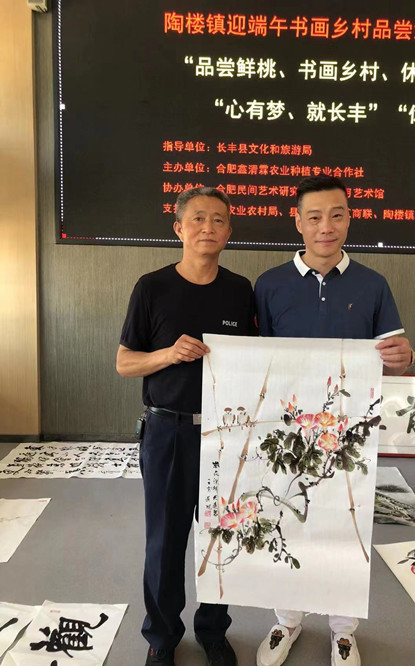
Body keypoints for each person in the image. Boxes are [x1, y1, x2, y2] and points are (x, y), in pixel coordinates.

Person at [254, 175, 415, 666]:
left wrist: (405, 356)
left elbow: (394, 354)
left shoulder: (373, 284)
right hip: (286, 435)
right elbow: (256, 360)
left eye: (337, 215)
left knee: (346, 525)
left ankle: (343, 631)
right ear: (298, 222)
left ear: (349, 219)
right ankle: (287, 620)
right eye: (315, 216)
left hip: (350, 435)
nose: (327, 226)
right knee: (286, 520)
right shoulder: (269, 284)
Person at [116, 187, 256, 666]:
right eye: (198, 219)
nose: (208, 228)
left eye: (218, 220)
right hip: (167, 433)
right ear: (179, 228)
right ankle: (161, 637)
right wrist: (167, 354)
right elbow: (124, 363)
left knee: (221, 536)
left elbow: (256, 361)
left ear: (229, 232)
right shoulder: (151, 287)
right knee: (165, 541)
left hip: (224, 435)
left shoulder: (240, 290)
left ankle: (213, 631)